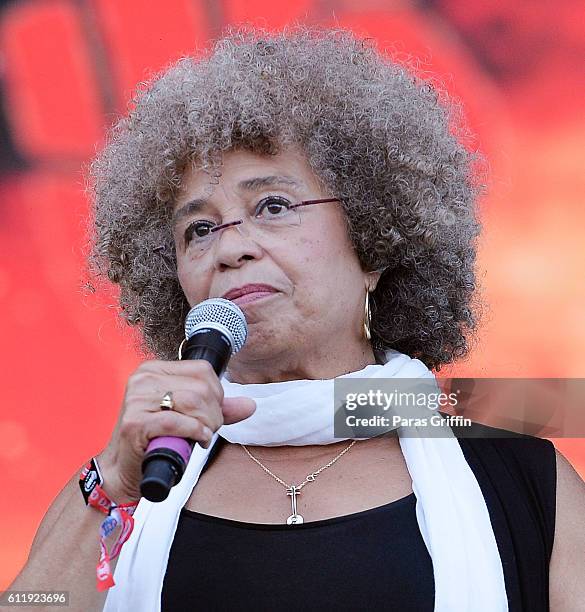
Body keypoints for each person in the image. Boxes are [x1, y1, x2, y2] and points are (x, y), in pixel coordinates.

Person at [10, 27, 584, 612]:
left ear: (374, 242)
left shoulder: (522, 478)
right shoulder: (133, 478)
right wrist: (110, 483)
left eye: (273, 206)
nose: (230, 249)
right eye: (198, 229)